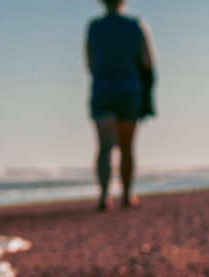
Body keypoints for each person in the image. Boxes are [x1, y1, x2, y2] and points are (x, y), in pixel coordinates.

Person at [86, 0, 156, 211]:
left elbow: (89, 61)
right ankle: (126, 194)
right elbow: (147, 60)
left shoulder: (95, 27)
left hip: (103, 89)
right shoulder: (135, 25)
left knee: (105, 146)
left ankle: (104, 195)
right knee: (127, 146)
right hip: (128, 89)